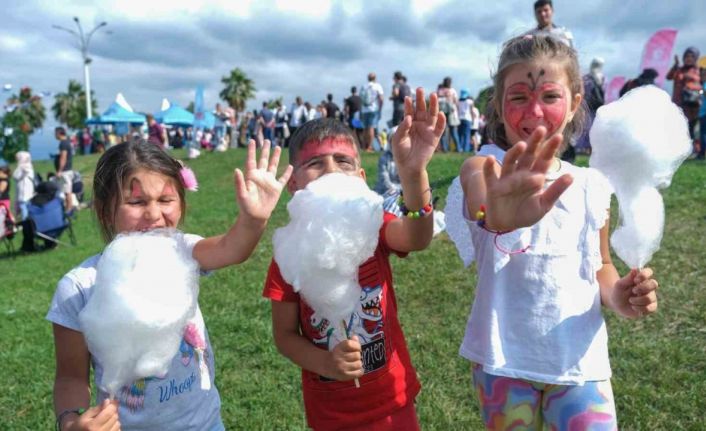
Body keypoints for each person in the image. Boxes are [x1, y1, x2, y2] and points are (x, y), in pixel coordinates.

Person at [449, 35, 659, 430]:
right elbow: (484, 209)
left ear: (576, 102)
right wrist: (500, 218)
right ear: (497, 103)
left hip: (580, 359)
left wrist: (621, 297)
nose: (534, 110)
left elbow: (601, 267)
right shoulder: (483, 168)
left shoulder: (591, 185)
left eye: (549, 96)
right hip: (503, 359)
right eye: (518, 97)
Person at [47, 139, 293, 431]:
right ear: (104, 210)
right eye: (136, 202)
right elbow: (70, 378)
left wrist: (253, 220)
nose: (153, 215)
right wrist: (71, 421)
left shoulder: (182, 250)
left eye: (165, 200)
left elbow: (231, 249)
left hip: (205, 424)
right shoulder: (79, 287)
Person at [263, 89, 444, 431]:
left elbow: (417, 238)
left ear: (361, 179)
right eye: (315, 164)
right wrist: (326, 363)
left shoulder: (375, 229)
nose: (331, 170)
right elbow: (285, 335)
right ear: (294, 185)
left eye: (342, 162)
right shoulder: (290, 253)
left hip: (393, 397)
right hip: (333, 412)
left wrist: (414, 172)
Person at [667, 47, 702, 151]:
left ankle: (691, 150)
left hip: (693, 104)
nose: (689, 59)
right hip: (678, 102)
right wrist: (675, 65)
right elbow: (668, 77)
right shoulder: (679, 69)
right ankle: (678, 149)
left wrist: (690, 84)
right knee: (677, 126)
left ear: (695, 58)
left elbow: (701, 83)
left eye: (691, 57)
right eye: (687, 56)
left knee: (690, 127)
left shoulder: (698, 70)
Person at [360, 72, 384, 152]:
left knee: (365, 128)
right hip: (373, 109)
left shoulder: (364, 86)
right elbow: (381, 98)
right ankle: (369, 147)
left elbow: (361, 98)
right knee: (371, 127)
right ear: (375, 78)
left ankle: (364, 146)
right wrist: (380, 108)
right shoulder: (377, 86)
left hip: (364, 109)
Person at [54, 127, 75, 213]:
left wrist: (59, 170)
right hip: (68, 170)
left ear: (59, 133)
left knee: (67, 191)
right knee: (66, 190)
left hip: (65, 171)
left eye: (55, 133)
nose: (55, 135)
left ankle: (69, 209)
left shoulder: (63, 143)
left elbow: (63, 157)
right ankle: (68, 208)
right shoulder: (67, 142)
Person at [438, 77, 461, 152]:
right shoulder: (452, 91)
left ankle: (445, 149)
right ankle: (458, 148)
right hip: (451, 111)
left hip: (442, 111)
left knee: (443, 131)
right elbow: (456, 102)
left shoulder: (440, 90)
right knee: (453, 131)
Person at [12, 151, 35, 221]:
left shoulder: (23, 167)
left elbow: (16, 176)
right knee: (27, 206)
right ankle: (29, 221)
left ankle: (25, 222)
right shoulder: (29, 167)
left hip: (23, 191)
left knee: (23, 207)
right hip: (28, 191)